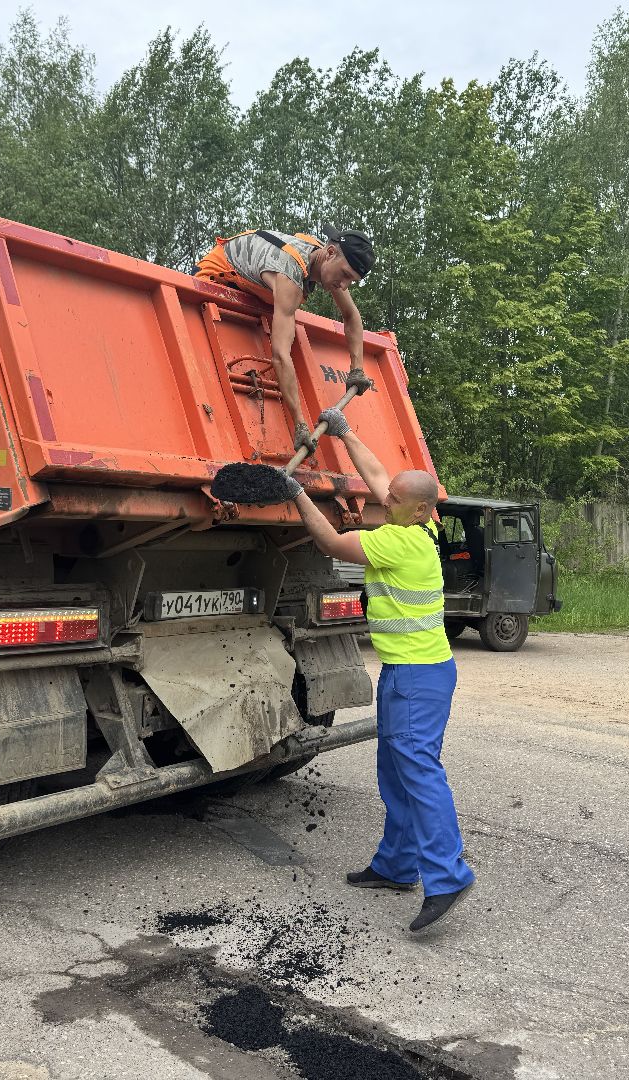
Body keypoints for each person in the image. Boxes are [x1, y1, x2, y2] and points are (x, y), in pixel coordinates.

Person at [280, 405, 475, 934]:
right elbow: (381, 478)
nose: (381, 501)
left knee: (418, 771)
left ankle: (448, 874)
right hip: (412, 673)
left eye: (392, 503)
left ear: (414, 512)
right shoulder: (424, 522)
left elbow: (331, 543)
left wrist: (294, 491)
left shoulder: (395, 541)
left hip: (417, 676)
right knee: (396, 769)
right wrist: (347, 434)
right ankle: (395, 866)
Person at [196, 227, 375, 453]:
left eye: (353, 280)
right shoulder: (290, 272)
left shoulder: (323, 263)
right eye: (346, 275)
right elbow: (280, 355)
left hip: (252, 289)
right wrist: (300, 424)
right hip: (215, 280)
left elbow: (351, 316)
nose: (345, 285)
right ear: (330, 252)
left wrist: (356, 369)